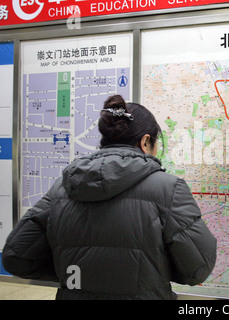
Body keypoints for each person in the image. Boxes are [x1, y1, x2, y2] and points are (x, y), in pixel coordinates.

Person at [2, 95, 217, 299]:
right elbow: (197, 269)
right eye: (156, 144)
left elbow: (16, 256)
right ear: (145, 142)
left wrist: (76, 271)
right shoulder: (168, 189)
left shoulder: (63, 187)